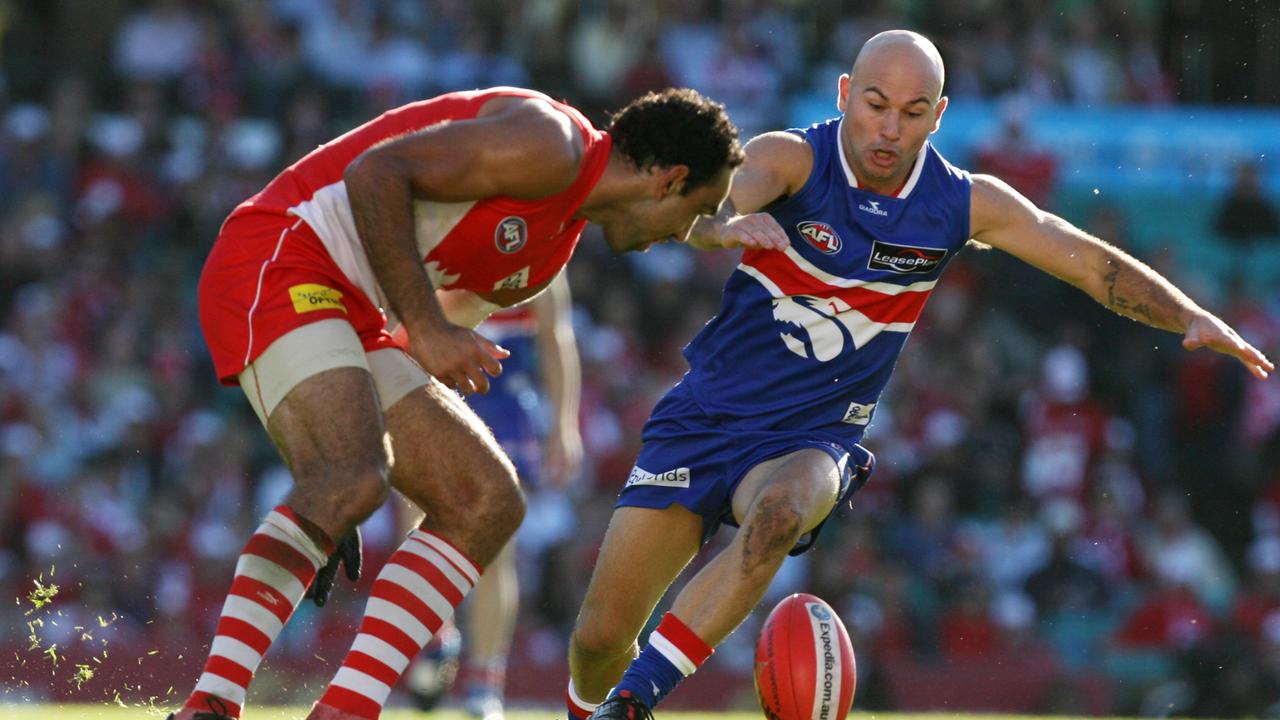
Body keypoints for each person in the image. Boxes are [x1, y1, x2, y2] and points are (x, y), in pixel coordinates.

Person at [566, 30, 1273, 720]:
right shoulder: (791, 158)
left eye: (911, 113)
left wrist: (1188, 316)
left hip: (812, 438)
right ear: (845, 95)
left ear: (938, 115)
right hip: (706, 417)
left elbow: (1085, 260)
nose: (888, 129)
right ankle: (592, 702)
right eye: (874, 104)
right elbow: (705, 203)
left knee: (780, 515)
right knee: (599, 640)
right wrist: (722, 228)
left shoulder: (960, 202)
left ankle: (636, 702)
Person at [167, 85, 759, 720]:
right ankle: (209, 706)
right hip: (279, 256)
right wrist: (344, 460)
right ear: (669, 181)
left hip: (350, 314)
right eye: (698, 210)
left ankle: (344, 711)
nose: (684, 235)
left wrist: (336, 459)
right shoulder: (550, 142)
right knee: (351, 476)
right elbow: (377, 174)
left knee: (485, 500)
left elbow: (395, 350)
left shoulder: (545, 256)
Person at [403, 272, 583, 720]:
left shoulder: (544, 251)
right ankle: (435, 636)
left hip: (503, 402)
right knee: (417, 531)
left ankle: (484, 681)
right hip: (432, 387)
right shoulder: (441, 236)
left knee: (497, 548)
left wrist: (563, 423)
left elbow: (555, 338)